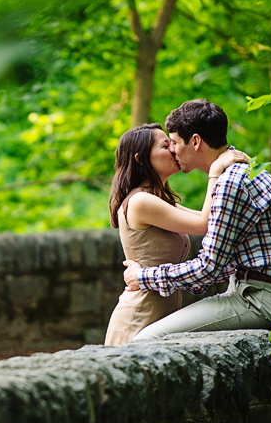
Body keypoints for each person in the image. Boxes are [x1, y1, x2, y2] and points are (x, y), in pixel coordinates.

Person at [122, 99, 271, 339]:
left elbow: (208, 267)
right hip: (263, 292)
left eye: (173, 142)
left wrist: (143, 277)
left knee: (149, 339)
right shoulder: (243, 169)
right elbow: (223, 261)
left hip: (260, 300)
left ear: (195, 142)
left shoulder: (229, 182)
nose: (173, 150)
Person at [105, 123, 249, 345]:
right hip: (137, 319)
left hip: (160, 317)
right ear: (141, 159)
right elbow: (202, 225)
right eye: (166, 146)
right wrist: (215, 171)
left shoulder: (159, 200)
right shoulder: (140, 202)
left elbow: (211, 220)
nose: (173, 150)